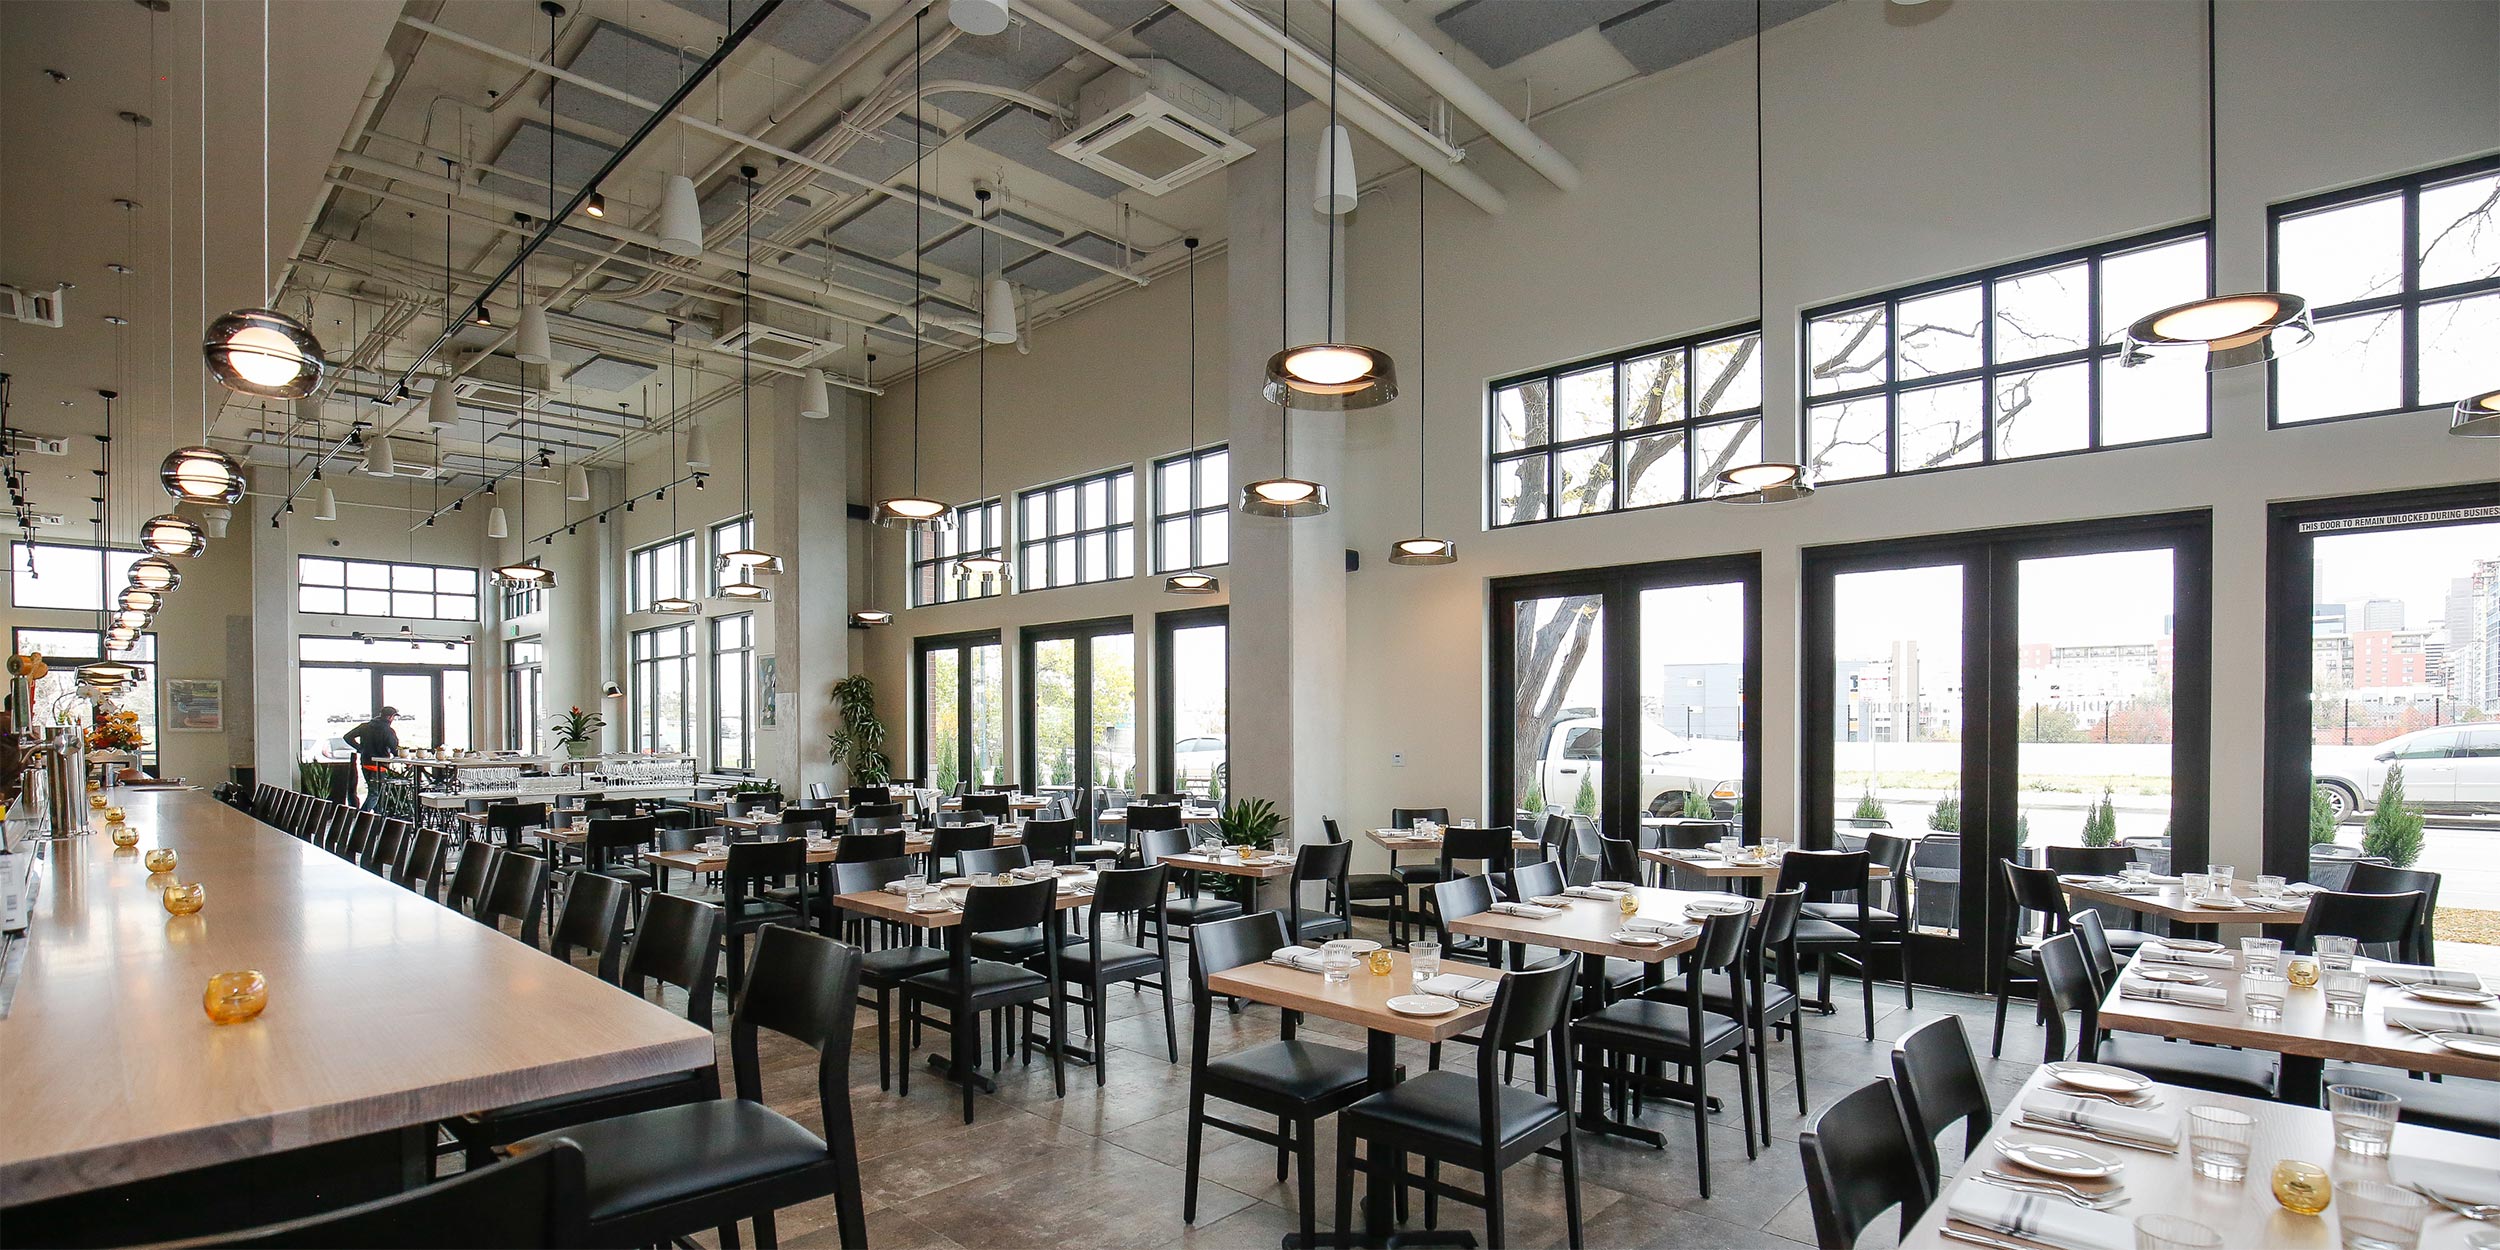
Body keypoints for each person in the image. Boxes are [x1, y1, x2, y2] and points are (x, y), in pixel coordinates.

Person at [341, 706, 401, 810]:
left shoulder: (365, 726)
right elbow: (394, 749)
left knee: (375, 792)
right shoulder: (388, 730)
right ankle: (362, 816)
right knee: (375, 794)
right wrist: (401, 756)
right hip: (380, 766)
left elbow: (347, 737)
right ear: (390, 717)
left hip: (365, 763)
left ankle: (376, 817)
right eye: (393, 717)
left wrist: (360, 748)